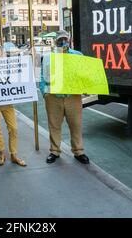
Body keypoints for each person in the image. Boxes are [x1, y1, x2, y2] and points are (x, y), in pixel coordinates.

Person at [40, 30, 90, 165]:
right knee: (54, 125)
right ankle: (54, 151)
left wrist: (86, 87)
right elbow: (42, 76)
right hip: (53, 96)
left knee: (76, 124)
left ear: (69, 40)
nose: (63, 42)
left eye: (65, 39)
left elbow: (84, 74)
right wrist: (45, 93)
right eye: (60, 40)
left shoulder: (78, 56)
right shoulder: (48, 57)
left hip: (73, 96)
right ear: (55, 41)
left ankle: (78, 151)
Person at [0, 41, 27, 167]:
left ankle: (14, 154)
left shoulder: (9, 63)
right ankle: (2, 153)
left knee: (13, 128)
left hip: (7, 102)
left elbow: (18, 76)